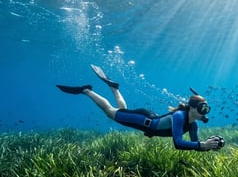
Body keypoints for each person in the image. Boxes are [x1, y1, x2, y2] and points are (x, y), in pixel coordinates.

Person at [56, 64, 224, 151]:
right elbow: (179, 143)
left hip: (149, 118)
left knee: (122, 110)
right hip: (143, 120)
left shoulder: (192, 124)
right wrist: (203, 145)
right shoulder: (180, 117)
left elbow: (195, 144)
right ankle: (87, 91)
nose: (204, 113)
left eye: (206, 110)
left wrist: (209, 145)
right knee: (110, 112)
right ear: (192, 108)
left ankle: (114, 87)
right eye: (202, 108)